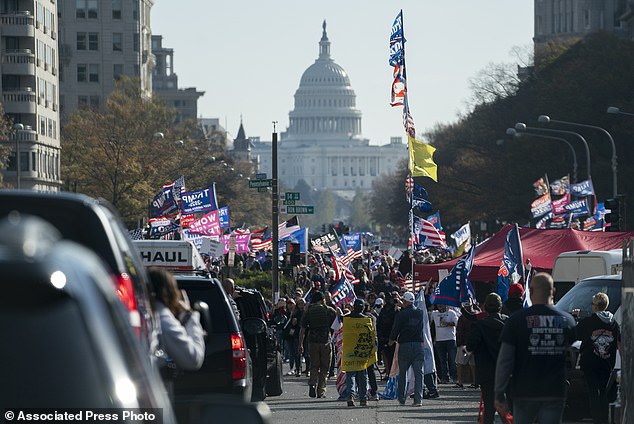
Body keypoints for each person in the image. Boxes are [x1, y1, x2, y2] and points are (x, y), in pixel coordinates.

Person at [494, 273, 576, 423]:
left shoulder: (516, 321)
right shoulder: (568, 321)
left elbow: (505, 360)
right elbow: (571, 355)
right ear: (553, 291)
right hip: (554, 390)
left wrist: (499, 392)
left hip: (525, 390)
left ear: (530, 292)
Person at [149, 268, 206, 397]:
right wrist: (190, 317)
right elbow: (193, 358)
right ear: (166, 292)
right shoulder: (163, 318)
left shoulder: (139, 313)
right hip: (155, 398)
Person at [575, 292, 620, 424]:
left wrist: (578, 317)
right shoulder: (614, 323)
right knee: (604, 392)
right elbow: (618, 342)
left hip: (590, 363)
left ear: (595, 306)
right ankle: (605, 418)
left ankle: (597, 419)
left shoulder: (588, 321)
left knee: (594, 392)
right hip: (606, 363)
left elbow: (576, 334)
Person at [466, 293, 508, 424]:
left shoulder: (479, 325)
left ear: (485, 308)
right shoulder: (508, 322)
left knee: (489, 407)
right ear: (500, 307)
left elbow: (470, 345)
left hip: (487, 371)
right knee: (506, 407)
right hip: (506, 370)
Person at [389, 291, 425, 407]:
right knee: (419, 373)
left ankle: (401, 398)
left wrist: (391, 339)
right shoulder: (420, 312)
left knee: (403, 372)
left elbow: (396, 328)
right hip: (418, 344)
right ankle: (418, 400)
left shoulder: (401, 314)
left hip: (405, 345)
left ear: (405, 301)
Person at [299, 291, 337, 398]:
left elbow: (302, 329)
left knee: (314, 365)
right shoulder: (328, 310)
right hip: (325, 341)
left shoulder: (308, 311)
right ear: (322, 300)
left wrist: (300, 344)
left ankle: (312, 383)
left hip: (312, 341)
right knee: (325, 367)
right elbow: (337, 324)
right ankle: (321, 390)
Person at [343, 299, 372, 407]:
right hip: (362, 349)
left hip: (349, 349)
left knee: (350, 373)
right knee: (362, 374)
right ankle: (363, 398)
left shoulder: (347, 318)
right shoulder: (367, 320)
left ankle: (350, 395)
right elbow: (371, 336)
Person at [431, 303, 459, 384]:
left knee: (453, 360)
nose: (440, 305)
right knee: (442, 361)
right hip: (439, 340)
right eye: (438, 304)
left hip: (450, 339)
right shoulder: (434, 313)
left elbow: (457, 324)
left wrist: (448, 323)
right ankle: (445, 378)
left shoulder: (451, 313)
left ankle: (455, 377)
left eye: (442, 304)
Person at [455, 301, 479, 389]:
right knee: (473, 364)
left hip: (464, 344)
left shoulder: (463, 317)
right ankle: (475, 382)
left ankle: (460, 382)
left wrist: (459, 342)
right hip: (475, 344)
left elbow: (460, 331)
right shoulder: (477, 315)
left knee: (460, 363)